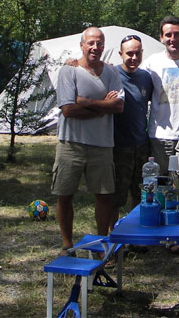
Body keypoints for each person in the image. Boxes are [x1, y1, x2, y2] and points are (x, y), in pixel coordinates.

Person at [52, 27, 124, 255]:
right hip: (70, 143)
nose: (95, 47)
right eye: (91, 43)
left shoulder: (111, 73)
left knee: (104, 195)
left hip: (102, 145)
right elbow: (68, 110)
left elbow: (118, 106)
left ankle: (101, 243)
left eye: (99, 43)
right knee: (65, 194)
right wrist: (104, 106)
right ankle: (67, 244)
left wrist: (83, 101)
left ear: (104, 46)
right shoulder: (69, 71)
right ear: (82, 45)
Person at [141, 16, 179, 200]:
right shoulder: (151, 63)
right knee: (161, 183)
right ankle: (164, 214)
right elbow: (133, 78)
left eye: (176, 34)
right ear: (161, 38)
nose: (172, 39)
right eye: (168, 35)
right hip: (159, 133)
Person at [109, 34, 153, 231]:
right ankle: (113, 234)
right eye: (129, 54)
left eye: (137, 53)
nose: (133, 58)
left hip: (141, 144)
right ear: (121, 54)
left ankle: (136, 233)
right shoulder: (112, 74)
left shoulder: (146, 78)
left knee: (140, 193)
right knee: (116, 196)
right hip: (119, 145)